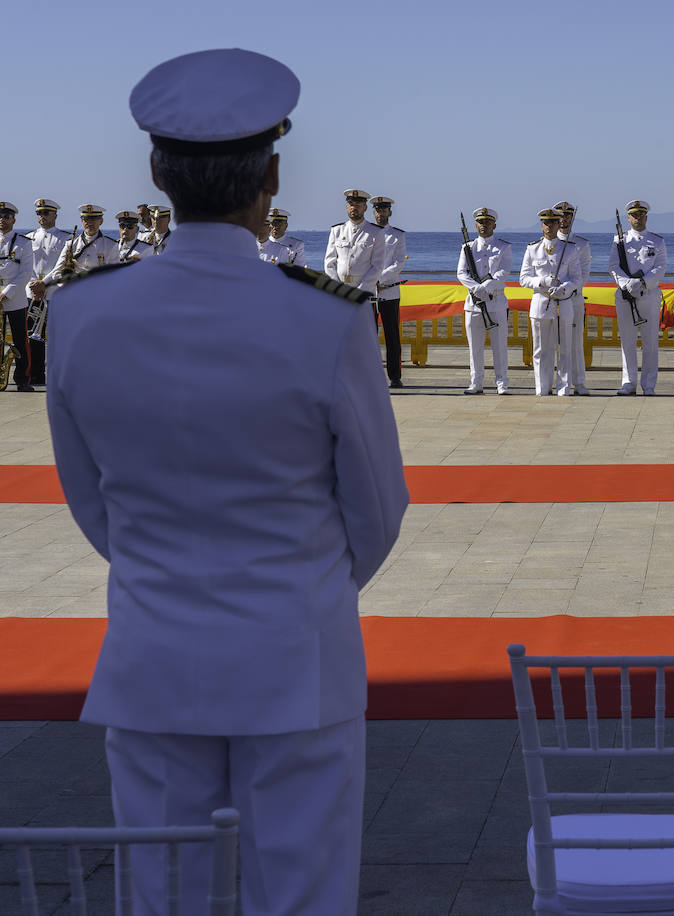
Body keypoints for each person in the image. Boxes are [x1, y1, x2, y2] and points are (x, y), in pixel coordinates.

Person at [46, 48, 408, 915]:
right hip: (297, 657)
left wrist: (161, 568)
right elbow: (378, 509)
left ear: (157, 174)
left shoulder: (83, 312)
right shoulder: (323, 317)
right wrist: (300, 584)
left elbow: (86, 495)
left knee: (162, 890)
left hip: (153, 654)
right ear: (271, 177)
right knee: (303, 891)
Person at [520, 207, 582, 396]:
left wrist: (564, 288)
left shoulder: (570, 249)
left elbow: (577, 278)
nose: (549, 226)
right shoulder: (533, 249)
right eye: (546, 223)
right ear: (541, 225)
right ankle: (542, 387)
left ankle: (564, 388)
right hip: (541, 302)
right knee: (540, 350)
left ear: (558, 223)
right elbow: (523, 279)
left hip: (563, 302)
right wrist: (542, 282)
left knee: (565, 348)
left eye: (553, 222)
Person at [608, 200, 666, 395]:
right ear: (628, 218)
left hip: (648, 296)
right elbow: (613, 266)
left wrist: (642, 282)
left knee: (650, 342)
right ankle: (628, 383)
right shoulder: (620, 241)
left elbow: (660, 267)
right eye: (634, 215)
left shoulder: (657, 241)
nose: (638, 218)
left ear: (646, 217)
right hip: (625, 296)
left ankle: (648, 385)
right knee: (627, 341)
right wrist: (626, 284)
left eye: (641, 215)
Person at [456, 206, 511, 395]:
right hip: (474, 304)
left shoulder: (504, 247)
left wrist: (485, 286)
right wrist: (476, 289)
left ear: (494, 225)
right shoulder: (467, 247)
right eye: (480, 222)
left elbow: (503, 272)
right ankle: (476, 382)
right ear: (475, 225)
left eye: (487, 222)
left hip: (495, 302)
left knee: (499, 346)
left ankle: (502, 383)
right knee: (475, 347)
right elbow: (461, 273)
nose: (483, 226)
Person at [24, 199, 70, 386]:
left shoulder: (67, 239)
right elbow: (25, 266)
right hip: (33, 293)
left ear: (55, 215)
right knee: (33, 337)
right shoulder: (28, 237)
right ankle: (36, 374)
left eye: (46, 213)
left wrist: (44, 283)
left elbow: (63, 266)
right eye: (39, 213)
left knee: (57, 337)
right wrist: (34, 286)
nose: (42, 217)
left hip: (54, 292)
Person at [554, 200, 592, 395]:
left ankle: (579, 382)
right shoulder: (548, 243)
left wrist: (567, 290)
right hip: (551, 300)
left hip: (573, 298)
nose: (564, 218)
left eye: (567, 215)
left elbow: (584, 274)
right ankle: (555, 383)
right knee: (552, 342)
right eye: (560, 215)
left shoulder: (582, 244)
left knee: (576, 342)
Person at [371, 195, 407, 389]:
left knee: (392, 335)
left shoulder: (398, 235)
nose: (380, 212)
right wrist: (370, 281)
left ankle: (395, 376)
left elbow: (398, 262)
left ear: (390, 212)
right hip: (369, 291)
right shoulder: (366, 233)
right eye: (377, 209)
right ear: (373, 211)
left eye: (384, 209)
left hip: (389, 290)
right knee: (369, 335)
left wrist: (379, 278)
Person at [324, 189, 385, 302]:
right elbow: (329, 263)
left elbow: (377, 266)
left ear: (365, 208)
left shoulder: (376, 232)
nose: (354, 208)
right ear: (346, 206)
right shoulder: (337, 230)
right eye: (351, 204)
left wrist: (359, 292)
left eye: (358, 205)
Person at [0, 201, 36, 391]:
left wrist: (5, 294)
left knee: (21, 340)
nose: (2, 220)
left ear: (13, 220)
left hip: (15, 298)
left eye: (6, 217)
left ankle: (23, 379)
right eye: (0, 216)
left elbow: (25, 273)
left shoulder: (24, 243)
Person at [41, 205, 118, 283]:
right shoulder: (71, 244)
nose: (90, 222)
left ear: (101, 221)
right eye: (86, 219)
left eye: (94, 219)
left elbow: (115, 274)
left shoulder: (111, 245)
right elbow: (56, 272)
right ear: (82, 221)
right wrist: (68, 282)